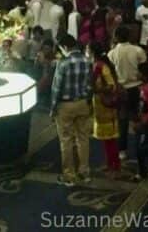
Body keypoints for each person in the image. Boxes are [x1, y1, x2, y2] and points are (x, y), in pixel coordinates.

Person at [50, 34, 93, 187]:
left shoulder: (63, 63)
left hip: (65, 106)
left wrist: (53, 108)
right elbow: (89, 85)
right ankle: (84, 172)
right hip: (82, 103)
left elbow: (56, 88)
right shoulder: (87, 61)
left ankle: (69, 175)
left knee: (66, 140)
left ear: (65, 47)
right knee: (83, 138)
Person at [108, 27, 146, 161]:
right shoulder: (138, 51)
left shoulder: (112, 53)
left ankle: (122, 151)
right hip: (136, 89)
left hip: (121, 90)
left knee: (122, 121)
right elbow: (144, 70)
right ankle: (141, 146)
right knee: (138, 118)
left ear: (116, 37)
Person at [90, 42, 122, 177]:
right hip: (99, 106)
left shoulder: (101, 67)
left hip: (106, 106)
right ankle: (110, 163)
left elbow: (112, 86)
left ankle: (115, 166)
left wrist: (97, 89)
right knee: (106, 139)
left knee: (110, 139)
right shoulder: (97, 65)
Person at [133, 62, 148, 181]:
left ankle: (143, 172)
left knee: (141, 148)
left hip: (146, 123)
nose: (136, 74)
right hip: (145, 121)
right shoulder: (147, 86)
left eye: (139, 72)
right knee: (143, 147)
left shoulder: (146, 90)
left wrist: (142, 122)